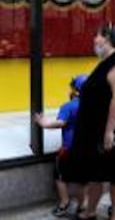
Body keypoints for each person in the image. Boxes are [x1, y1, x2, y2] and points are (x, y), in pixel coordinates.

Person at [68, 24, 115, 220]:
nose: (94, 40)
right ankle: (91, 211)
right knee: (96, 174)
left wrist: (109, 132)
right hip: (97, 133)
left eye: (97, 36)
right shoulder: (107, 62)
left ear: (108, 39)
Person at [35, 74, 88, 217]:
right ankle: (82, 206)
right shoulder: (93, 106)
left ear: (76, 90)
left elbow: (61, 123)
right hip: (86, 150)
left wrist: (44, 123)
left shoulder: (68, 106)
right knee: (81, 180)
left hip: (69, 149)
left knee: (60, 176)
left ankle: (64, 204)